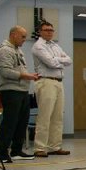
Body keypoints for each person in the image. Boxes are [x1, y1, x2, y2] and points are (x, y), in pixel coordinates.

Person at [0, 26, 40, 163]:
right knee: (10, 123)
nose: (24, 40)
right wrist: (25, 76)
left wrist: (28, 76)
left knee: (22, 123)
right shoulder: (4, 50)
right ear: (13, 35)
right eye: (22, 37)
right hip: (11, 91)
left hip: (22, 91)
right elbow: (5, 72)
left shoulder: (18, 51)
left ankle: (16, 151)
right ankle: (2, 153)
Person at [31, 21, 72, 157]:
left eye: (51, 30)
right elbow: (51, 63)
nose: (49, 32)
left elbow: (69, 60)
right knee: (45, 116)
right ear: (40, 32)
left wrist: (57, 60)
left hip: (58, 82)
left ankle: (55, 146)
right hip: (46, 82)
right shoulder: (38, 46)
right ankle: (39, 148)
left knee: (57, 116)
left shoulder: (55, 45)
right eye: (46, 30)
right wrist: (59, 60)